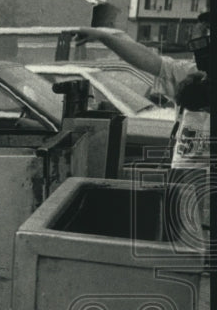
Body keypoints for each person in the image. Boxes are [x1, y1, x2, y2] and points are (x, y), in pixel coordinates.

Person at [73, 13, 210, 233]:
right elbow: (146, 59)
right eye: (202, 39)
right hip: (185, 182)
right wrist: (102, 36)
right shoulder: (191, 73)